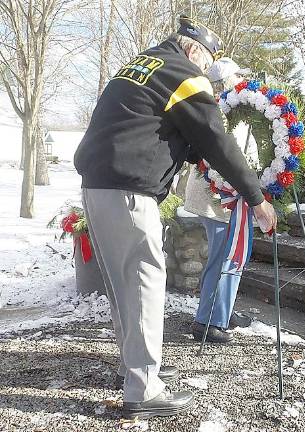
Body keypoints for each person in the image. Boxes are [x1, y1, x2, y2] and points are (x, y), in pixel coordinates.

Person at [73, 16, 277, 420]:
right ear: (196, 51)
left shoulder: (142, 64)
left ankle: (136, 368)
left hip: (99, 187)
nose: (206, 73)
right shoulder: (184, 74)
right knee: (144, 283)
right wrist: (256, 198)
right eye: (208, 63)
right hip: (128, 191)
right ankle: (144, 391)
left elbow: (163, 131)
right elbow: (215, 140)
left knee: (123, 287)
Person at [184, 57, 258, 343]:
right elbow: (227, 156)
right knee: (226, 258)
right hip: (219, 199)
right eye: (238, 76)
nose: (243, 80)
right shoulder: (221, 110)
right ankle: (210, 321)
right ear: (227, 81)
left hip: (217, 197)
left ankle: (221, 311)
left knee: (227, 257)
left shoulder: (223, 108)